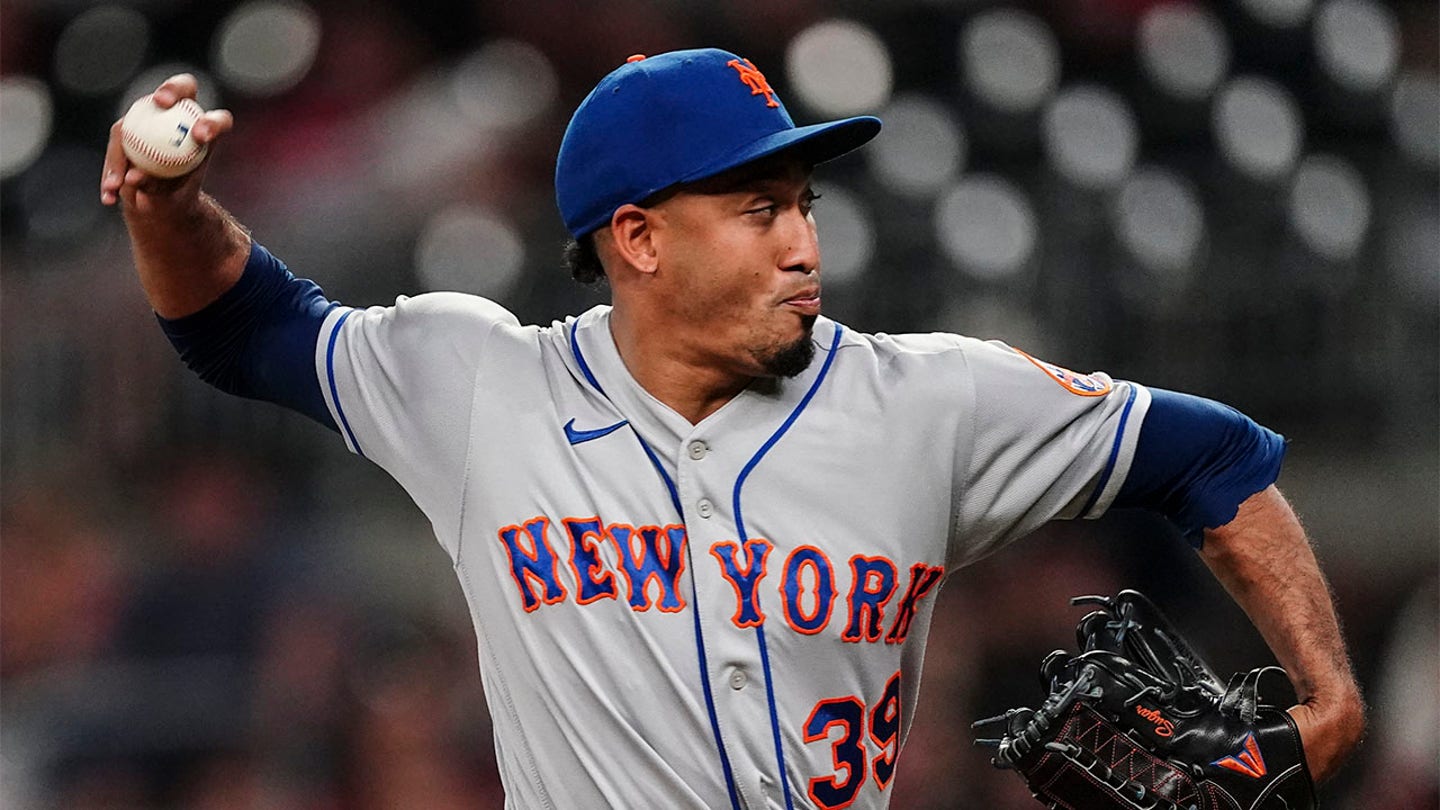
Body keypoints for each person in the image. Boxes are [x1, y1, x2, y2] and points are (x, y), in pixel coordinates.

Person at [101, 48, 1364, 809]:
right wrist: (168, 208)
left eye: (803, 203)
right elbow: (244, 328)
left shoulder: (929, 401)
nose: (805, 243)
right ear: (638, 238)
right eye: (759, 209)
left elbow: (1215, 455)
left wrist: (1327, 704)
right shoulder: (482, 382)